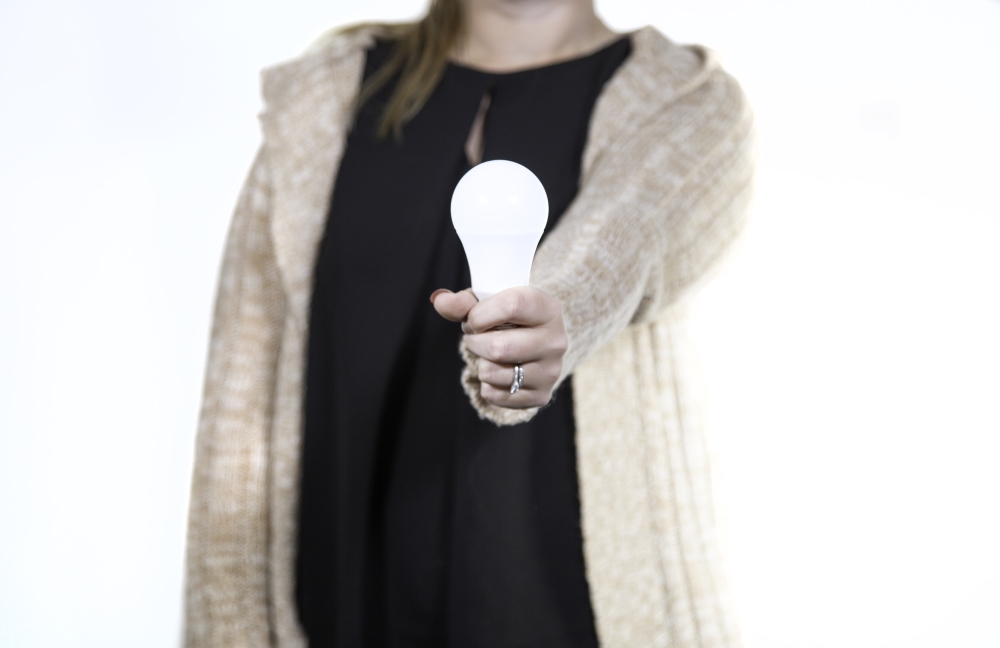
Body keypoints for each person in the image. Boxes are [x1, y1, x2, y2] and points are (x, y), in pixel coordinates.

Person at [184, 0, 755, 646]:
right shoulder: (325, 100)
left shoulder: (686, 104)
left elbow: (629, 235)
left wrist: (556, 313)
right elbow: (242, 392)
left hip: (565, 614)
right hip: (345, 607)